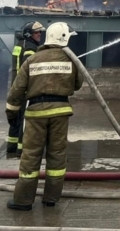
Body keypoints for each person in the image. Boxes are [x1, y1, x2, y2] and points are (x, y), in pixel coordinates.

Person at [5, 21, 84, 211]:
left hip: (36, 113)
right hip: (61, 112)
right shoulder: (71, 60)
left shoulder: (32, 60)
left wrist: (12, 113)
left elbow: (16, 91)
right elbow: (77, 84)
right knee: (57, 156)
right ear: (63, 38)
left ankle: (23, 201)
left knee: (31, 155)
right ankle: (51, 198)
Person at [5, 21, 46, 158]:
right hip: (24, 90)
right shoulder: (30, 48)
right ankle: (21, 150)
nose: (39, 34)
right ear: (29, 34)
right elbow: (29, 71)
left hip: (15, 87)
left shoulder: (19, 45)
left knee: (15, 119)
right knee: (24, 120)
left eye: (40, 32)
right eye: (36, 32)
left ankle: (11, 147)